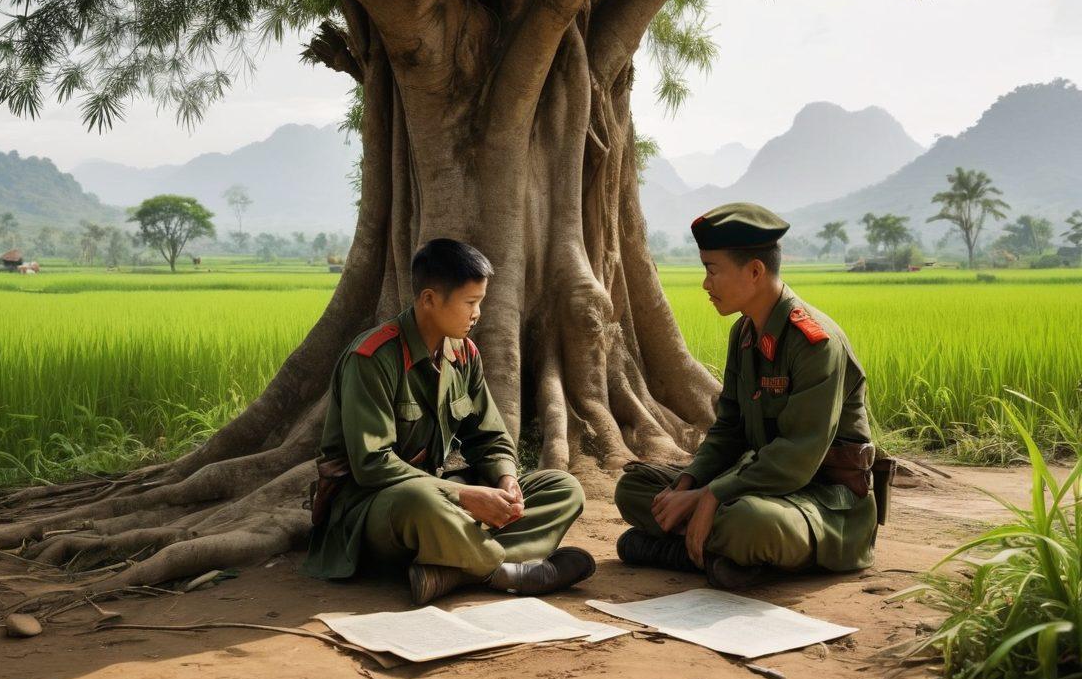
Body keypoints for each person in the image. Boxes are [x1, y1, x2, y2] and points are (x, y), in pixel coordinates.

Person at [303, 238, 595, 604]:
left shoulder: (463, 354)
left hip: (444, 494)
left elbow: (490, 438)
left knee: (563, 488)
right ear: (429, 299)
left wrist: (505, 480)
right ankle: (502, 570)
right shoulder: (372, 359)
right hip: (374, 507)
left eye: (481, 302)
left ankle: (451, 570)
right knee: (420, 500)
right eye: (470, 303)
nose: (477, 314)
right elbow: (372, 465)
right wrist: (464, 495)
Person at [613, 203, 879, 590]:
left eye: (712, 270)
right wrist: (690, 484)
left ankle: (682, 548)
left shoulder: (816, 344)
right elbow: (728, 431)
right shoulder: (745, 334)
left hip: (819, 500)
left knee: (749, 523)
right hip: (752, 485)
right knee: (635, 490)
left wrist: (713, 495)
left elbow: (797, 459)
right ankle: (718, 557)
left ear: (754, 271)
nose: (705, 284)